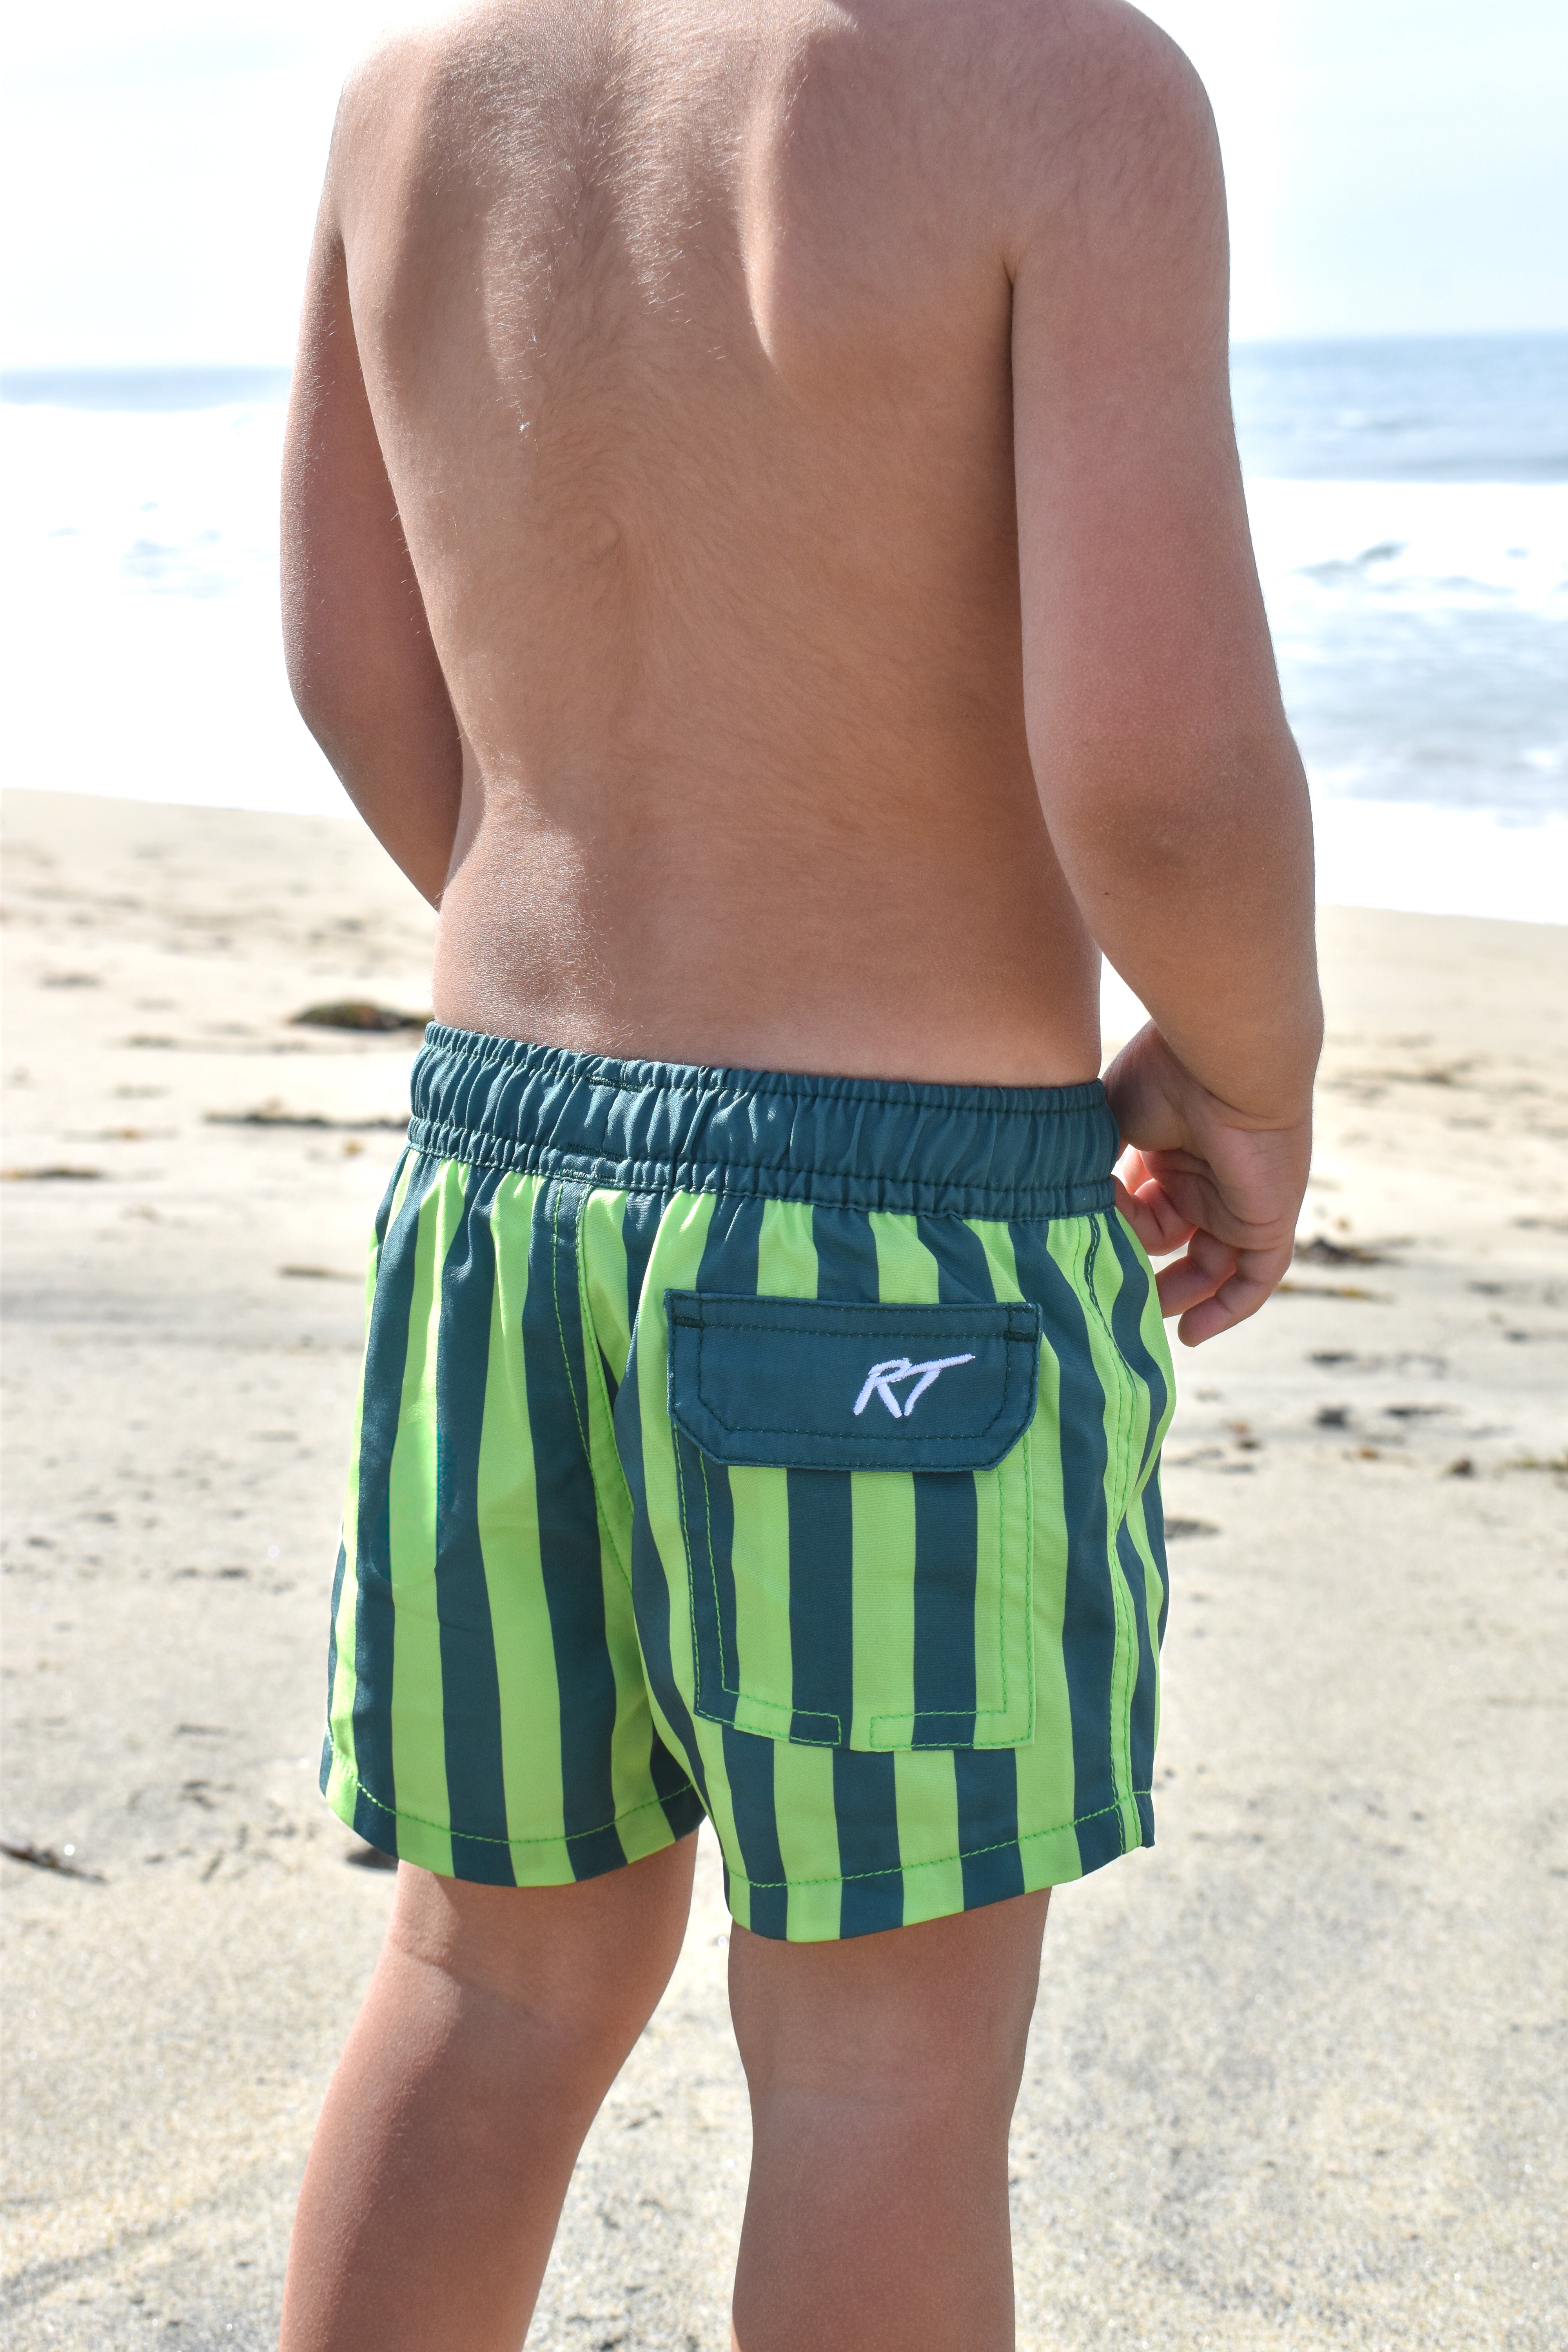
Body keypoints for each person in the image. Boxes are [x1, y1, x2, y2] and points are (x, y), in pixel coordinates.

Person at [276, 0, 1320, 2344]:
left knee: (486, 1983)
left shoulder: (419, 97)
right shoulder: (1062, 91)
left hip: (500, 1184)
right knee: (878, 2073)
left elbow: (355, 665)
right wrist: (1252, 1066)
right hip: (900, 1231)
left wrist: (598, 929)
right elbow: (1157, 763)